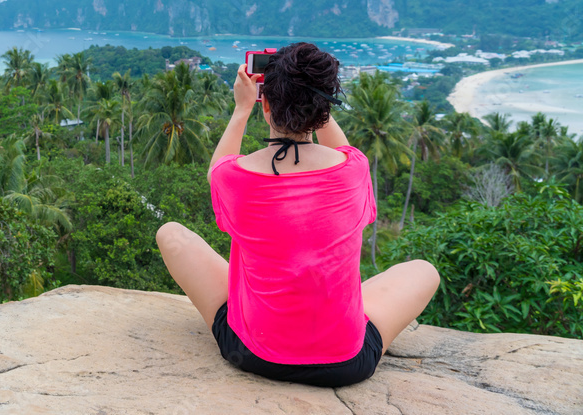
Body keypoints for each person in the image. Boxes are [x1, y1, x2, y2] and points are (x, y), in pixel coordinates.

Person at [155, 42, 440, 388]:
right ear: (322, 112)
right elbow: (344, 151)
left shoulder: (234, 177)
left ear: (266, 104)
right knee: (424, 271)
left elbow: (216, 169)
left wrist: (241, 109)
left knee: (170, 234)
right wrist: (314, 101)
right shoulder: (354, 170)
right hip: (346, 364)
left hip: (252, 353)